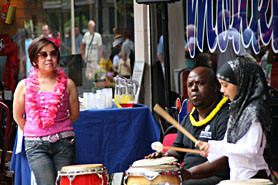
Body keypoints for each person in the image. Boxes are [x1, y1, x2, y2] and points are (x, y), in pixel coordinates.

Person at [146, 67, 230, 185]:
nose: (194, 88)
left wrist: (191, 173)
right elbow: (178, 150)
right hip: (188, 176)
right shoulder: (189, 119)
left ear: (215, 87)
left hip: (215, 177)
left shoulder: (226, 116)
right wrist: (165, 156)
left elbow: (225, 160)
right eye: (190, 85)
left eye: (200, 83)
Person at [13, 37, 80, 185]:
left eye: (53, 54)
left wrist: (58, 128)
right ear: (34, 60)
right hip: (35, 146)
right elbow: (18, 116)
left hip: (64, 143)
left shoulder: (68, 84)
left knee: (64, 183)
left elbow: (74, 115)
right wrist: (34, 132)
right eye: (43, 54)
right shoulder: (23, 86)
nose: (49, 58)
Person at [197, 58, 272, 180]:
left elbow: (251, 149)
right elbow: (229, 144)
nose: (222, 90)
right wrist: (210, 150)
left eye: (225, 85)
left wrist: (215, 147)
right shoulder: (236, 110)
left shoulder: (254, 112)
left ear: (241, 83)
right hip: (238, 177)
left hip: (254, 177)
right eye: (221, 85)